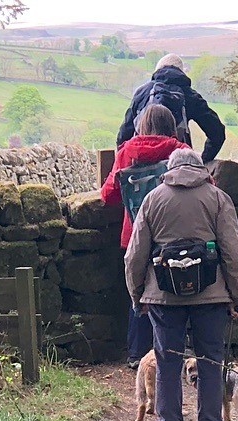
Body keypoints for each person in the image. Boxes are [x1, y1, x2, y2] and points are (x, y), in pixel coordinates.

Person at [125, 148, 238, 421]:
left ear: (171, 168)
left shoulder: (153, 199)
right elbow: (233, 253)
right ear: (201, 169)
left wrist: (137, 294)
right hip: (212, 295)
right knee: (210, 359)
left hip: (163, 296)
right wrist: (237, 296)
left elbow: (135, 254)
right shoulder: (218, 199)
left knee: (167, 360)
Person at [101, 104, 189, 369]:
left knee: (138, 292)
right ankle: (175, 351)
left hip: (135, 235)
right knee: (177, 290)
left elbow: (108, 195)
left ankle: (138, 354)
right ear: (171, 126)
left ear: (141, 126)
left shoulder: (127, 151)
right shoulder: (181, 151)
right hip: (176, 235)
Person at [116, 53, 226, 164]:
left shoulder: (142, 92)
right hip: (178, 166)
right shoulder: (190, 96)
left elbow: (123, 135)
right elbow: (217, 132)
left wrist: (124, 162)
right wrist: (204, 161)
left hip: (141, 165)